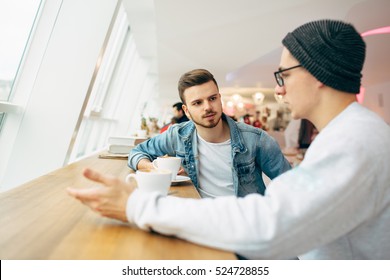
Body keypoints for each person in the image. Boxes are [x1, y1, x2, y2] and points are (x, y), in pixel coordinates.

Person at [68, 19, 390, 259]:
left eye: (283, 75)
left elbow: (267, 226)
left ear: (317, 72)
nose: (278, 89)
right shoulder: (350, 135)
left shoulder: (354, 142)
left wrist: (136, 204)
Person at [129, 69, 290, 197]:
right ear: (187, 110)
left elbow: (292, 185)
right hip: (200, 220)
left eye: (212, 98)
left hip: (244, 225)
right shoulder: (177, 135)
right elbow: (137, 153)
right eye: (197, 103)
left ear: (220, 99)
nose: (207, 107)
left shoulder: (256, 139)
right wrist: (155, 169)